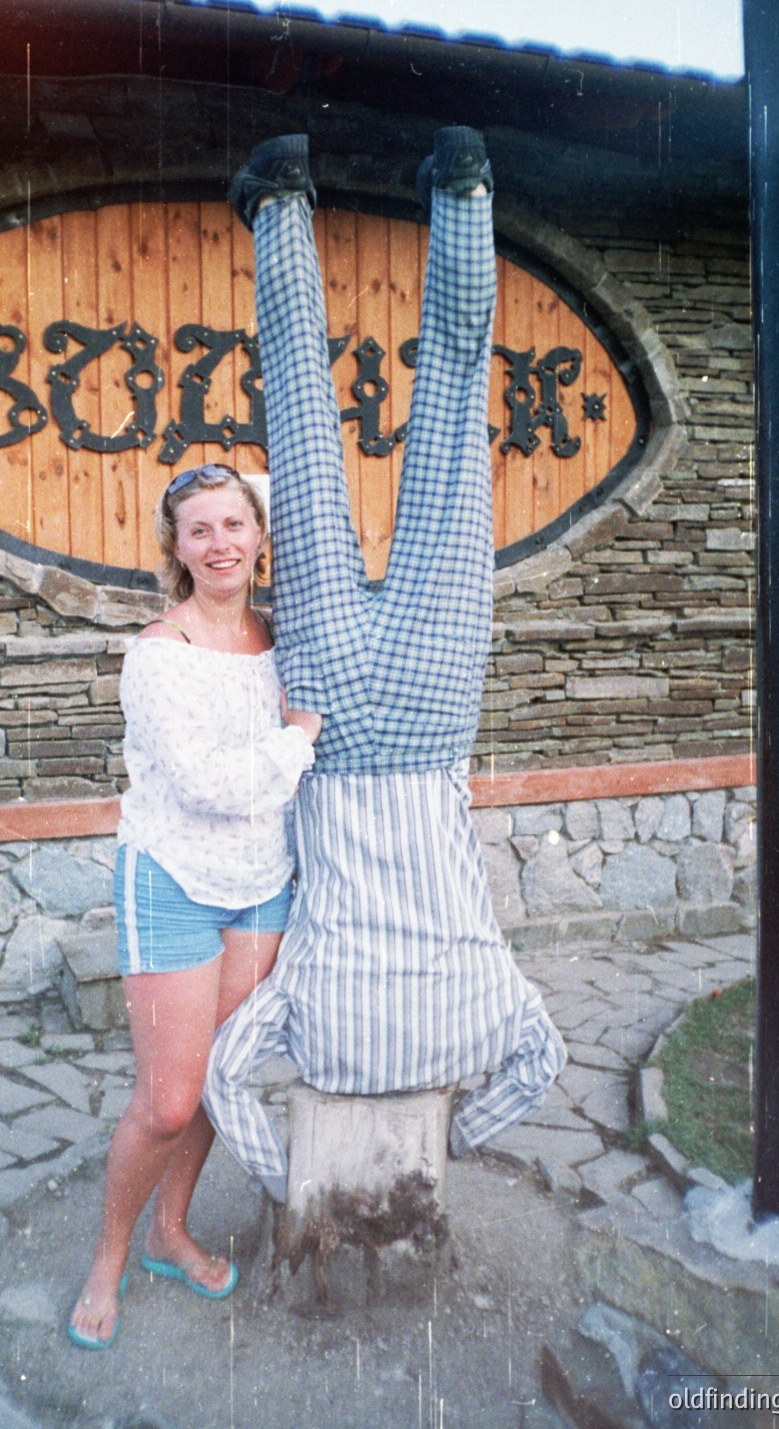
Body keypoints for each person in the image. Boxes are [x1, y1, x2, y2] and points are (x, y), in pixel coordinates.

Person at [203, 128, 566, 1200]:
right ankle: (280, 198)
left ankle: (462, 189)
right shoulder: (306, 1013)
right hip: (330, 722)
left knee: (455, 407)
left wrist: (456, 1136)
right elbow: (228, 1083)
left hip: (432, 700)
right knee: (303, 420)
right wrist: (286, 1181)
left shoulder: (494, 1002)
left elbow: (540, 1068)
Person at [68, 463, 320, 1347]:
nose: (220, 544)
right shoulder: (159, 654)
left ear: (259, 534)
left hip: (260, 885)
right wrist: (297, 737)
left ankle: (170, 1234)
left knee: (218, 1078)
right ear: (175, 547)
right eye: (199, 529)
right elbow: (211, 786)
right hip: (172, 877)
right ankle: (108, 1256)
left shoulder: (289, 641)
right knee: (167, 1099)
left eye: (234, 524)